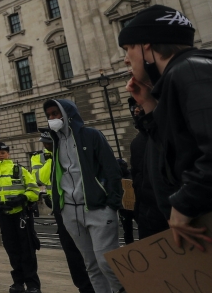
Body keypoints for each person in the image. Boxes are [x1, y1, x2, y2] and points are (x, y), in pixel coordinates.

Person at [121, 4, 212, 252]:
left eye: (128, 48)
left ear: (147, 45)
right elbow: (180, 150)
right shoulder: (194, 70)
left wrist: (185, 204)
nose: (125, 58)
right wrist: (151, 107)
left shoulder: (191, 71)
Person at [43, 99, 122, 293]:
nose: (52, 118)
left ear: (67, 113)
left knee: (106, 261)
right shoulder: (56, 142)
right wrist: (59, 207)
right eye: (49, 115)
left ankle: (122, 289)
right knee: (91, 265)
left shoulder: (91, 135)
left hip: (98, 208)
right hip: (70, 211)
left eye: (56, 113)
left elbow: (111, 169)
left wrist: (113, 202)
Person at [33, 132, 95, 293]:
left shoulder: (71, 150)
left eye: (49, 142)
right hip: (61, 209)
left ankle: (98, 282)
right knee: (71, 250)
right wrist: (53, 157)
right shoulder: (38, 158)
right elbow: (41, 178)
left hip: (82, 204)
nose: (46, 145)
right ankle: (84, 286)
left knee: (91, 247)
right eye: (45, 142)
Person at [0, 142, 40, 293]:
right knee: (12, 250)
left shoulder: (19, 169)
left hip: (21, 215)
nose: (0, 155)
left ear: (8, 154)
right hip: (4, 216)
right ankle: (18, 283)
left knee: (27, 250)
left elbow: (34, 189)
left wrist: (22, 198)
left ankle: (33, 285)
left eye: (3, 152)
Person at [126, 99, 167, 239]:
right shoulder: (137, 142)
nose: (136, 110)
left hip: (172, 213)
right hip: (147, 215)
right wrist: (138, 211)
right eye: (134, 107)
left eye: (139, 105)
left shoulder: (167, 133)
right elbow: (137, 178)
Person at [115, 159, 134, 244]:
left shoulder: (118, 177)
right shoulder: (120, 177)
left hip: (126, 206)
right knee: (128, 229)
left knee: (127, 229)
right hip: (126, 206)